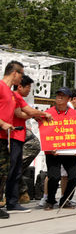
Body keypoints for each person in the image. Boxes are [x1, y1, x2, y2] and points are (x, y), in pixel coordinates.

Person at [5, 75, 51, 213]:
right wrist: (41, 114)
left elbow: (26, 113)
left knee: (16, 170)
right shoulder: (14, 97)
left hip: (18, 137)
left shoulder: (16, 98)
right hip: (13, 136)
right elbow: (21, 114)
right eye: (28, 87)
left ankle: (13, 201)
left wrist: (33, 114)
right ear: (19, 86)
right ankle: (11, 202)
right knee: (12, 170)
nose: (29, 90)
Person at [42, 87, 76, 210]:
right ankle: (50, 200)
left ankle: (65, 200)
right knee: (54, 176)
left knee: (74, 176)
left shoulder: (74, 114)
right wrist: (50, 147)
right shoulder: (49, 112)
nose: (59, 97)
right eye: (58, 95)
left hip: (69, 151)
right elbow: (45, 132)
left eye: (62, 95)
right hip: (52, 151)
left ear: (68, 99)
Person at [0, 61, 25, 219]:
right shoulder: (1, 87)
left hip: (3, 137)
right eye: (21, 74)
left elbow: (20, 113)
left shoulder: (10, 93)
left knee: (2, 172)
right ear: (15, 73)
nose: (21, 79)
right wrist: (2, 123)